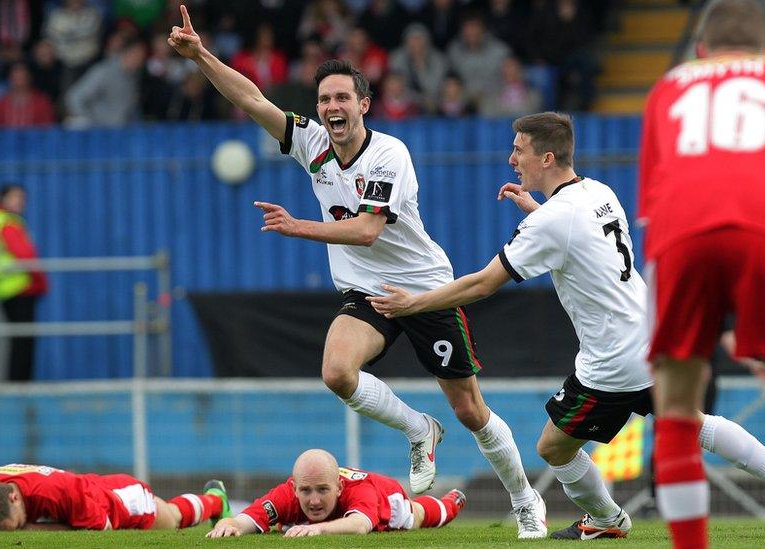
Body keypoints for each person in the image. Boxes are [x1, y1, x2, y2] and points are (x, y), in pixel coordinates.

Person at [168, 5, 547, 539]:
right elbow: (252, 98)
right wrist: (200, 55)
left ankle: (524, 499)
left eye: (343, 97)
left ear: (364, 104)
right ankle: (418, 428)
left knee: (470, 409)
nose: (332, 106)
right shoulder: (311, 143)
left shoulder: (389, 154)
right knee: (337, 373)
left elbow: (368, 230)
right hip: (364, 291)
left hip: (426, 290)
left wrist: (300, 227)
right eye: (324, 99)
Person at [369, 112, 765, 540]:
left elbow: (483, 284)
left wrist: (414, 303)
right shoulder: (598, 192)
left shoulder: (554, 221)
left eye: (519, 149)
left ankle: (608, 520)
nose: (511, 158)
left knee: (553, 447)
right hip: (656, 334)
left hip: (613, 361)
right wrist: (536, 210)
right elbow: (576, 239)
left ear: (546, 157)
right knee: (694, 423)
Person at [638, 1, 765, 547]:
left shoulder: (669, 87)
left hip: (679, 237)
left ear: (700, 52)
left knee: (675, 405)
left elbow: (652, 203)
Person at [207, 449, 465, 537]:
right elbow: (248, 518)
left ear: (339, 487)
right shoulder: (285, 495)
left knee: (414, 516)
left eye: (323, 490)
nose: (314, 500)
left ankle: (450, 503)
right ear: (295, 488)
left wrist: (318, 528)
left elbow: (360, 524)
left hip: (384, 495)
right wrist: (229, 525)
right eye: (306, 491)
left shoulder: (359, 491)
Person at [0, 463, 231, 532]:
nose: (19, 529)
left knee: (171, 518)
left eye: (18, 523)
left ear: (13, 498)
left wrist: (31, 528)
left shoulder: (57, 491)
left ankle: (216, 497)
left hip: (114, 498)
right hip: (85, 487)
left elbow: (99, 528)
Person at [0, 184, 48, 381]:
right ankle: (20, 385)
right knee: (23, 341)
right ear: (3, 198)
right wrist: (40, 281)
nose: (20, 202)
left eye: (22, 198)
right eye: (15, 197)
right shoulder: (7, 223)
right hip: (19, 287)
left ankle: (16, 382)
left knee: (17, 339)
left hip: (3, 288)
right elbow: (25, 254)